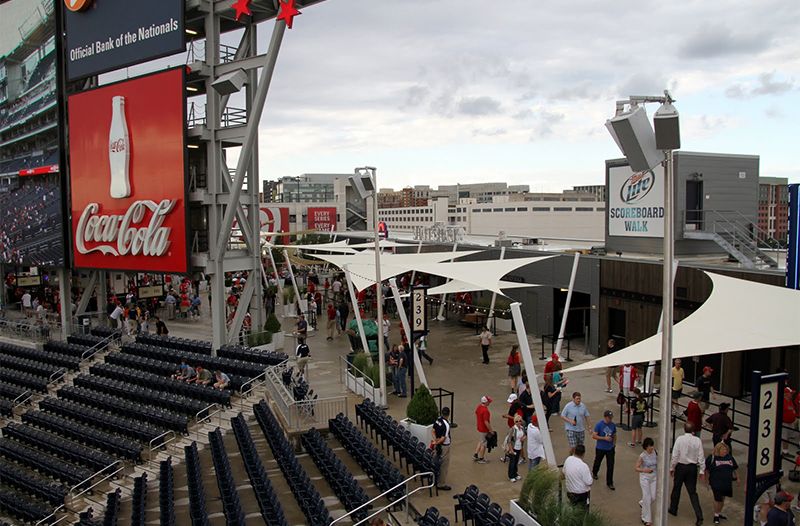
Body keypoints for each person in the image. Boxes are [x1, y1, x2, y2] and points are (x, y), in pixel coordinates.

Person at [669, 422, 705, 526]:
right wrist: (702, 470)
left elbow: (675, 455)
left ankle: (673, 509)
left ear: (684, 429)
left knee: (676, 489)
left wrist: (672, 467)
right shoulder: (697, 440)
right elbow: (701, 456)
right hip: (692, 468)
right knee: (693, 492)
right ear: (693, 431)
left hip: (681, 466)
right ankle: (699, 516)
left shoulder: (680, 439)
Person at [705, 441, 738, 524]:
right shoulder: (712, 458)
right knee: (717, 499)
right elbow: (707, 470)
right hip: (716, 482)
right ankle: (716, 515)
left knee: (722, 499)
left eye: (726, 450)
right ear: (718, 450)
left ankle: (718, 513)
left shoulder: (729, 457)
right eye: (723, 450)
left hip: (726, 482)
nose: (725, 451)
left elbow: (734, 468)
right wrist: (706, 481)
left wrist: (737, 478)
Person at [591, 410, 617, 490]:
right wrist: (604, 438)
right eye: (609, 418)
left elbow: (614, 435)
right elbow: (594, 436)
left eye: (611, 418)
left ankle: (610, 482)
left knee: (610, 465)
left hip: (610, 448)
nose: (610, 419)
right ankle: (595, 472)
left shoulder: (612, 425)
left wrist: (614, 444)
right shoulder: (599, 425)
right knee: (598, 461)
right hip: (600, 448)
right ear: (605, 417)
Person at [635, 437, 658, 526]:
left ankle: (642, 502)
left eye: (652, 446)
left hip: (654, 477)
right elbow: (636, 468)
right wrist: (645, 470)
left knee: (653, 497)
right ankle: (646, 519)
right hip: (645, 478)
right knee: (647, 498)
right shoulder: (642, 456)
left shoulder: (655, 452)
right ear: (645, 447)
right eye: (649, 447)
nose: (651, 448)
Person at [563, 444, 593, 510]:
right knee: (583, 510)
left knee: (573, 508)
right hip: (581, 493)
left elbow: (564, 472)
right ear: (583, 454)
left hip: (570, 491)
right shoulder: (583, 466)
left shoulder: (568, 459)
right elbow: (589, 482)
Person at [431, 406, 452, 491]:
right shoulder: (446, 424)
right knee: (444, 465)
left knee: (436, 462)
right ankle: (441, 484)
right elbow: (443, 438)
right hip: (444, 446)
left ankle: (434, 479)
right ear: (448, 414)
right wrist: (437, 442)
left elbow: (433, 430)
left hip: (438, 444)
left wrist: (435, 440)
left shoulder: (438, 420)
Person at [505, 415, 526, 482]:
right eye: (517, 421)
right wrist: (511, 450)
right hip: (513, 448)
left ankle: (515, 474)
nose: (518, 422)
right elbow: (509, 440)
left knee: (516, 461)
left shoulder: (522, 428)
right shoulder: (513, 429)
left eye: (520, 421)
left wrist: (523, 438)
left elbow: (525, 434)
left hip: (519, 447)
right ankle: (511, 475)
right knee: (512, 462)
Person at [473, 395, 493, 464]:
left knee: (481, 441)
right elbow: (486, 422)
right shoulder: (485, 411)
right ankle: (481, 458)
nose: (489, 403)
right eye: (488, 402)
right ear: (486, 402)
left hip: (479, 427)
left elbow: (476, 413)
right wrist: (491, 430)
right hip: (484, 429)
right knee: (484, 444)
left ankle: (476, 454)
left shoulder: (479, 407)